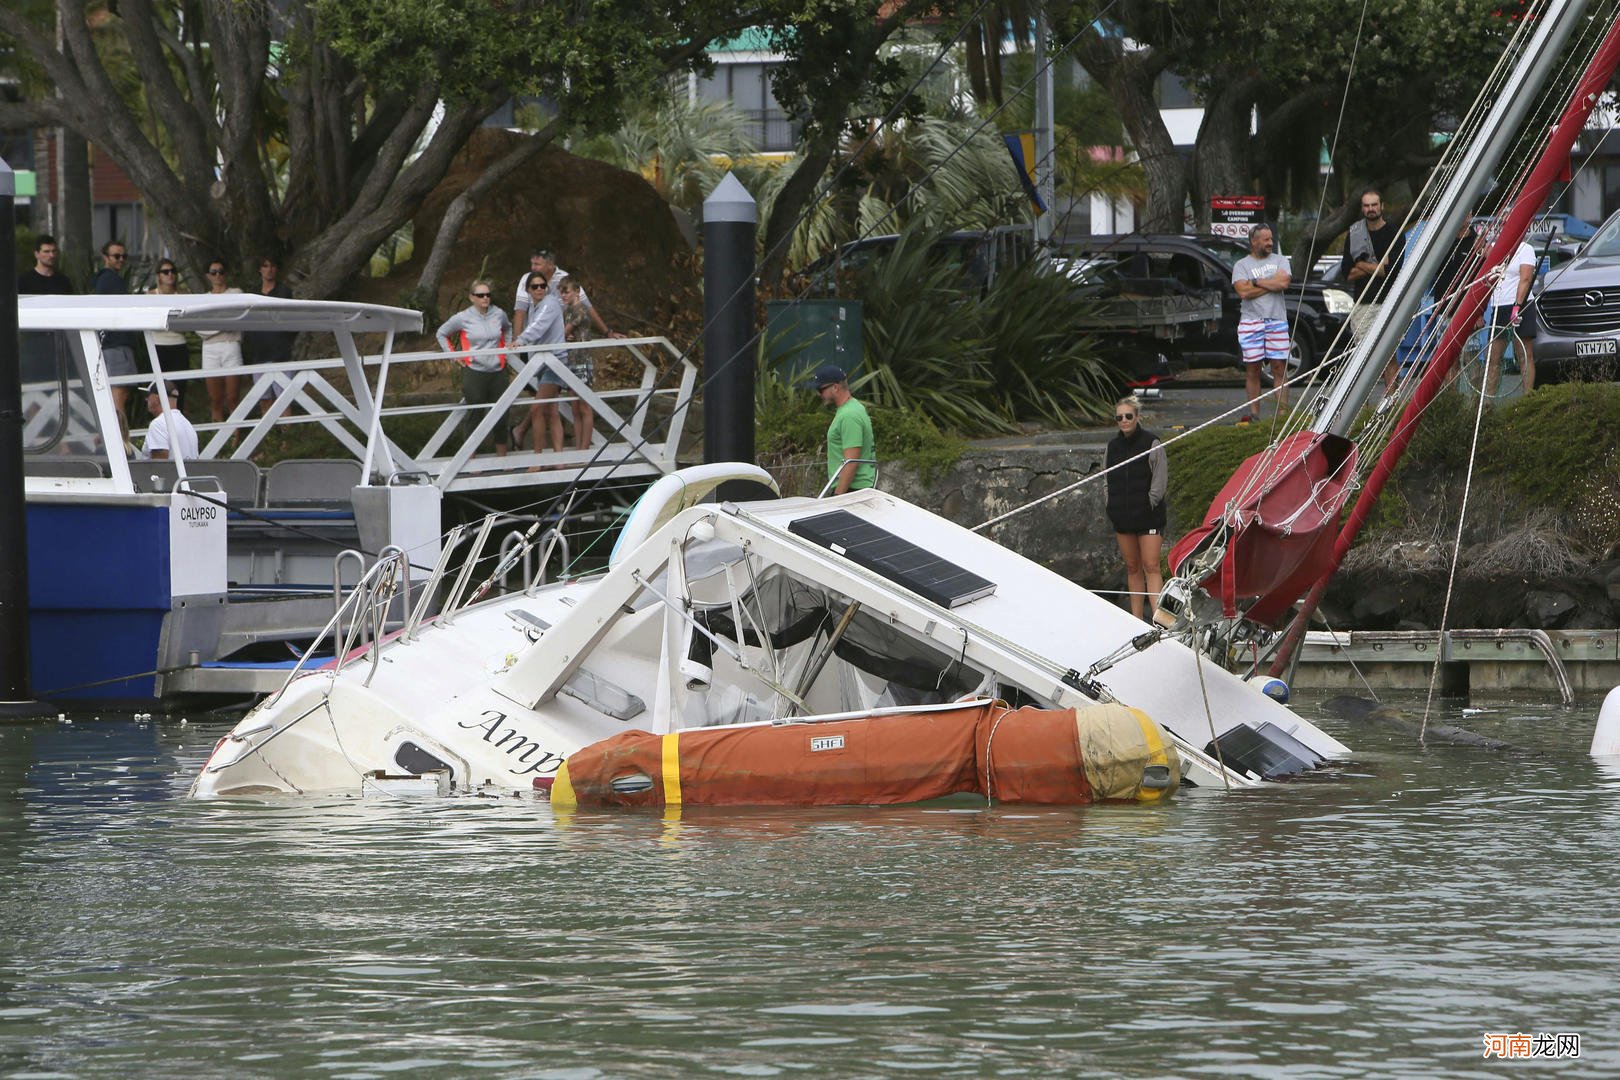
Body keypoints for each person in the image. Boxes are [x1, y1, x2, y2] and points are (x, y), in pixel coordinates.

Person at [1104, 395, 1167, 622]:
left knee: (1151, 565)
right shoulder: (1112, 447)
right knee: (1132, 567)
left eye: (1128, 416)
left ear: (1137, 417)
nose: (1124, 420)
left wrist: (1148, 504)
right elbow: (1106, 479)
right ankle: (1136, 619)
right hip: (1122, 517)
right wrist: (1111, 506)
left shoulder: (1152, 443)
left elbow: (1159, 482)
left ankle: (1159, 620)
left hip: (1149, 517)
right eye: (1119, 417)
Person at [436, 280, 514, 456]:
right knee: (475, 413)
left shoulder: (498, 314)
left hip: (498, 371)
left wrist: (506, 352)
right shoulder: (463, 317)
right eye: (480, 295)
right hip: (474, 371)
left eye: (488, 295)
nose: (485, 298)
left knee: (502, 414)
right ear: (472, 297)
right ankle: (470, 458)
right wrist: (454, 355)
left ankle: (503, 457)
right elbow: (441, 333)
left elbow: (508, 329)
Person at [1340, 189, 1405, 391]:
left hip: (1389, 302)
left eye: (1374, 204)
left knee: (1389, 355)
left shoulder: (1395, 233)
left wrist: (1361, 263)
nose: (1371, 209)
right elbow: (1347, 274)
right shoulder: (1355, 234)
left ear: (1382, 206)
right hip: (1364, 304)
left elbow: (1391, 271)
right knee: (1363, 358)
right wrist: (1379, 265)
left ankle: (1390, 402)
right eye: (1367, 206)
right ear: (1362, 208)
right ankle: (1363, 409)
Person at [1231, 224, 1292, 424]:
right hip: (1250, 322)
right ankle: (1255, 415)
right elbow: (1243, 292)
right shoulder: (1241, 265)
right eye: (1266, 240)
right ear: (1254, 241)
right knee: (1253, 369)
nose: (1270, 243)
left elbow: (1283, 283)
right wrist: (1269, 284)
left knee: (1279, 367)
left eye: (1271, 239)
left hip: (1277, 320)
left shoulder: (1281, 260)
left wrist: (1255, 282)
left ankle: (1282, 415)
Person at [514, 273, 568, 459]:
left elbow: (538, 327)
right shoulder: (534, 307)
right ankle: (559, 459)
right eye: (535, 286)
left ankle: (538, 458)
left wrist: (519, 340)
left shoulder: (550, 303)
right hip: (543, 363)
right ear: (528, 290)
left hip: (554, 363)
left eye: (542, 286)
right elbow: (536, 327)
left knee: (536, 409)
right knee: (551, 412)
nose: (539, 289)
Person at [513, 249, 616, 338]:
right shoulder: (527, 278)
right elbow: (520, 312)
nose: (533, 268)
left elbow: (586, 306)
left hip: (560, 340)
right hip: (533, 339)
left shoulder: (565, 279)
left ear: (550, 264)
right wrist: (516, 343)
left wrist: (607, 332)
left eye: (537, 264)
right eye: (532, 263)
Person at [92, 239, 140, 426]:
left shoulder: (106, 280)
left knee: (117, 396)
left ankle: (115, 438)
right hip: (116, 345)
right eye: (116, 256)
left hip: (111, 345)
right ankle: (120, 442)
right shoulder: (109, 279)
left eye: (124, 256)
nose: (121, 259)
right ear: (105, 257)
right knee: (118, 397)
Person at [1484, 235, 1538, 397]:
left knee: (1524, 354)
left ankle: (1527, 399)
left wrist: (1517, 305)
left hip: (1521, 306)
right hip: (1499, 306)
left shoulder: (1525, 248)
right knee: (1494, 357)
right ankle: (1489, 400)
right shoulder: (1494, 248)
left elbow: (1526, 278)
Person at [242, 255, 296, 414]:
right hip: (259, 354)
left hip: (281, 353)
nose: (269, 269)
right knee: (264, 399)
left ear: (276, 269)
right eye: (265, 266)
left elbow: (291, 321)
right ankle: (270, 437)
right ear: (260, 269)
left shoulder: (284, 291)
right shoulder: (251, 293)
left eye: (272, 266)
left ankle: (287, 439)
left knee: (284, 398)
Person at [17, 235, 74, 386]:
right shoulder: (24, 281)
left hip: (59, 343)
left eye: (54, 251)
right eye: (46, 251)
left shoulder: (63, 281)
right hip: (33, 343)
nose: (51, 255)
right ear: (36, 254)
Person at [196, 259, 245, 423]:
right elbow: (199, 329)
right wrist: (223, 324)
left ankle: (235, 436)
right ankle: (218, 435)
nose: (218, 275)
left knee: (232, 397)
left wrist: (214, 323)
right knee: (215, 398)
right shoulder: (203, 299)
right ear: (208, 276)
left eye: (221, 271)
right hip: (210, 348)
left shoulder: (236, 293)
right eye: (213, 272)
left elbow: (236, 319)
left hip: (231, 346)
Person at [813, 364, 875, 494]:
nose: (819, 394)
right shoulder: (852, 408)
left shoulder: (849, 415)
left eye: (821, 389)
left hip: (852, 491)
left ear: (835, 387)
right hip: (853, 489)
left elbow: (851, 462)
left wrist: (838, 496)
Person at [146, 259, 192, 408]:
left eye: (172, 271)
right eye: (165, 272)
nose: (170, 274)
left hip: (178, 346)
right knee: (157, 390)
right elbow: (150, 324)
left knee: (179, 390)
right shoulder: (150, 296)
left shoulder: (184, 295)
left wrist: (165, 324)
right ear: (158, 275)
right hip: (158, 346)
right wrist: (171, 324)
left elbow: (186, 325)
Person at [140, 382, 199, 463]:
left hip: (170, 475)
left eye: (148, 395)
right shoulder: (187, 423)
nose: (146, 399)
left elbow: (160, 466)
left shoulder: (158, 424)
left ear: (157, 398)